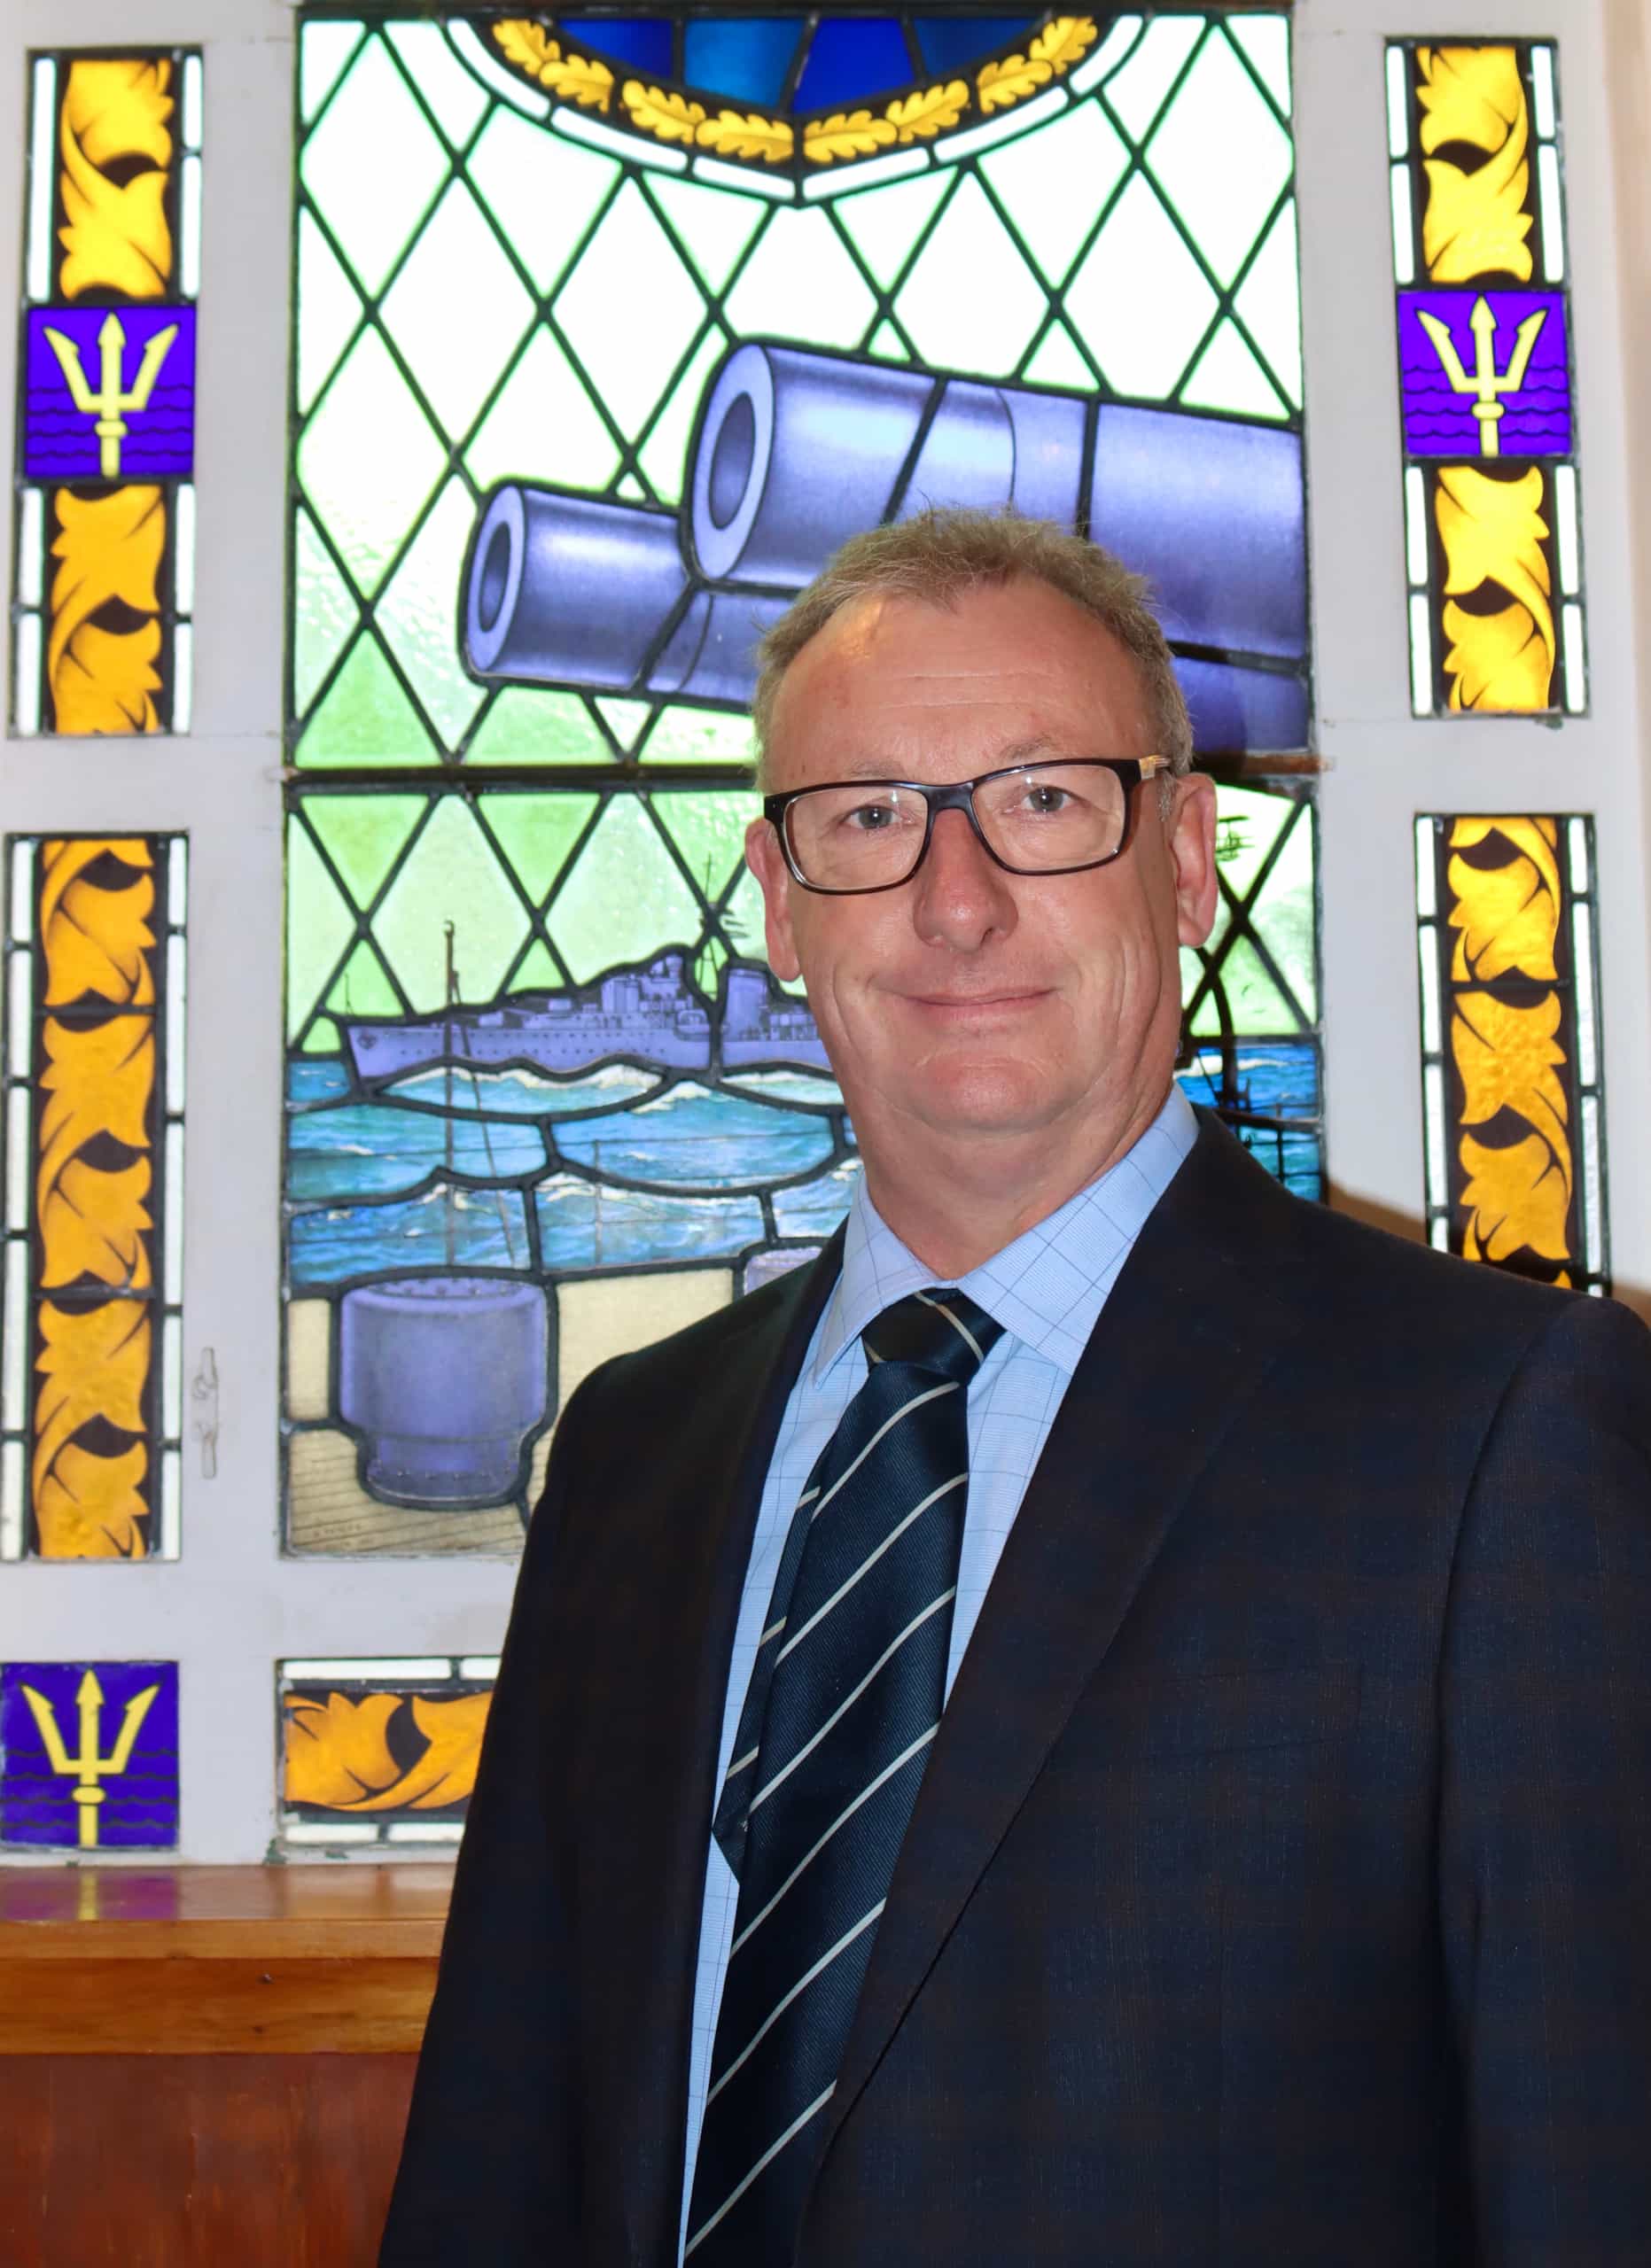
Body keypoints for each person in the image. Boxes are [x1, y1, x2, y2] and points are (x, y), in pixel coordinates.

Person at [380, 510, 1651, 2266]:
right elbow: (498, 2144)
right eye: (867, 816)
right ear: (779, 904)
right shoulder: (633, 1452)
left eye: (1043, 800)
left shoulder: (1498, 1435)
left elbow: (1590, 2168)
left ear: (1186, 861)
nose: (955, 899)